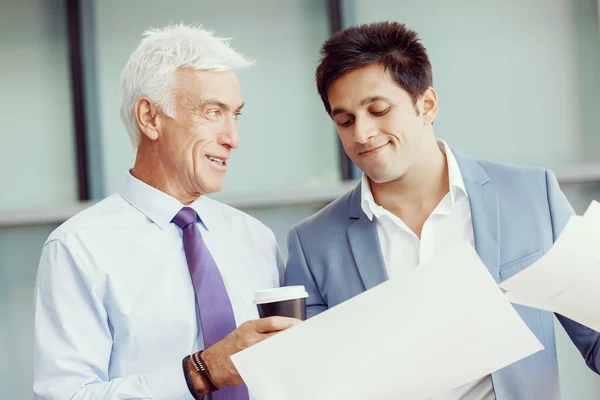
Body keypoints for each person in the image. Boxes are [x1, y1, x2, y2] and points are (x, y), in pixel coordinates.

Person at [285, 21, 600, 399]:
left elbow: (596, 337)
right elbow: (310, 385)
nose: (362, 134)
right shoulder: (312, 243)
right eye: (345, 120)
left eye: (379, 110)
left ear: (427, 104)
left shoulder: (532, 196)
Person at [33, 24, 299, 400]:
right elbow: (65, 396)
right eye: (213, 112)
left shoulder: (255, 237)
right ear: (150, 118)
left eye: (235, 115)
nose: (232, 138)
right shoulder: (78, 248)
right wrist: (199, 373)